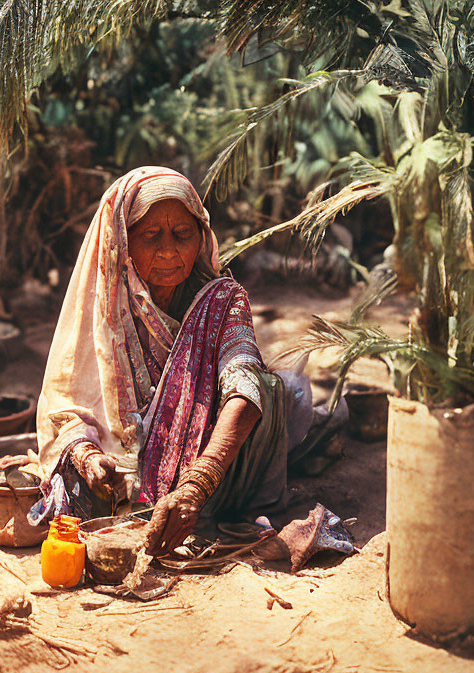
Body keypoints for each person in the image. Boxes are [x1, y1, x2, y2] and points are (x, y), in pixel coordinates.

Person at [30, 167, 330, 557]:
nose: (169, 251)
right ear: (121, 242)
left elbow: (244, 384)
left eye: (183, 235)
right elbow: (64, 405)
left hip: (215, 472)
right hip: (131, 467)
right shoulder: (101, 310)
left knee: (272, 390)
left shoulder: (223, 300)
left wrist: (198, 481)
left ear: (201, 236)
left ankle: (316, 432)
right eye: (150, 236)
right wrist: (87, 456)